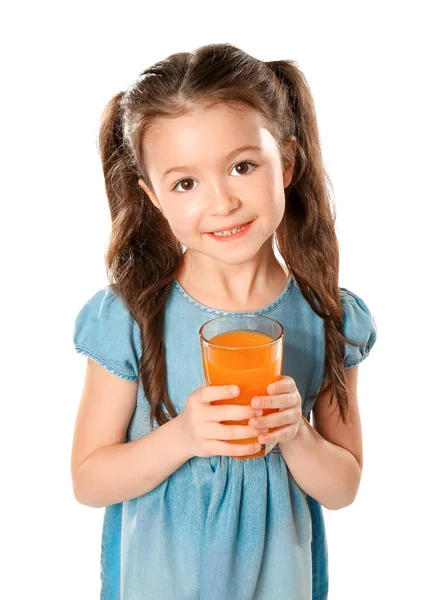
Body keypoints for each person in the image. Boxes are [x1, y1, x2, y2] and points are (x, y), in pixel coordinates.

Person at [71, 42, 377, 600]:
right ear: (154, 197)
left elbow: (342, 487)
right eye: (185, 183)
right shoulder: (131, 317)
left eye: (242, 166)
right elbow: (90, 480)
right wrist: (183, 437)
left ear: (285, 162)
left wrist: (296, 435)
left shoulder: (325, 316)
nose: (222, 202)